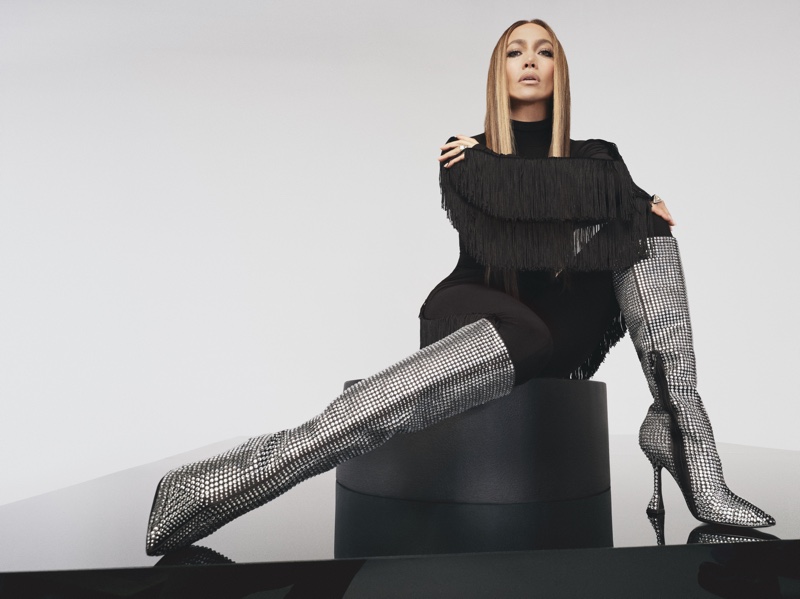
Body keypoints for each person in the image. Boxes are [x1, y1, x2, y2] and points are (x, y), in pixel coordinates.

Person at [145, 19, 774, 556]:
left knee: (649, 234)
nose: (530, 61)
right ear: (498, 72)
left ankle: (681, 426)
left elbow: (605, 198)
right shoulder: (466, 157)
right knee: (621, 230)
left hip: (555, 323)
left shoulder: (596, 154)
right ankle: (237, 477)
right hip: (474, 309)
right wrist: (623, 198)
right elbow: (533, 204)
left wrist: (632, 206)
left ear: (561, 72)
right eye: (515, 52)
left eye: (545, 52)